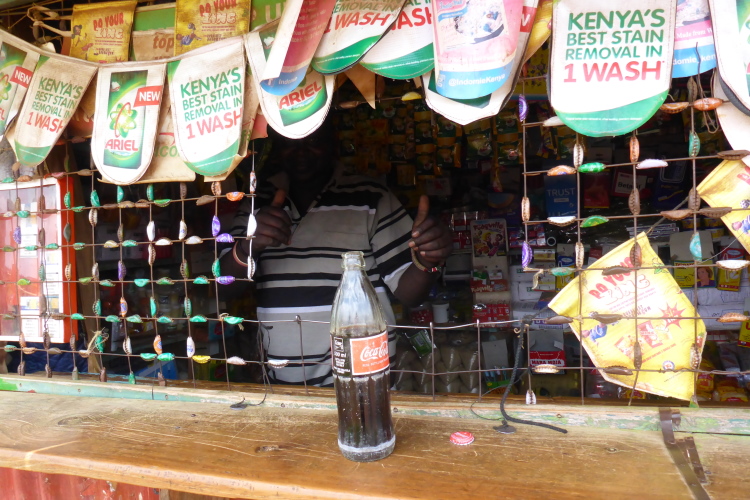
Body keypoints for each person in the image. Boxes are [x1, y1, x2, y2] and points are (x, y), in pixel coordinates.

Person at [224, 124, 453, 386]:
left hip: (364, 374)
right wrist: (249, 246)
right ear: (276, 146)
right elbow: (222, 288)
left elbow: (409, 294)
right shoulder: (256, 203)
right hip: (284, 380)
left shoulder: (371, 196)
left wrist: (427, 260)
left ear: (332, 141)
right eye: (290, 142)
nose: (301, 151)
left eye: (313, 140)